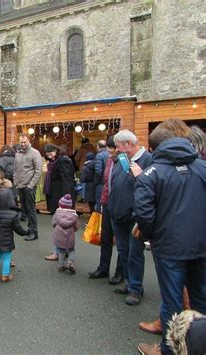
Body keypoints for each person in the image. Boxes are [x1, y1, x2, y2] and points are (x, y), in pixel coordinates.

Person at [134, 128, 206, 355]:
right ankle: (199, 346)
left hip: (168, 248)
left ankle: (168, 349)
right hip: (202, 245)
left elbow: (144, 214)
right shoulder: (203, 168)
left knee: (172, 301)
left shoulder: (150, 173)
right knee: (201, 297)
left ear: (154, 148)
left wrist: (148, 235)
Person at [109, 130, 152, 306]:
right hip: (117, 213)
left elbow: (152, 188)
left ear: (128, 143)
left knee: (135, 253)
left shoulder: (148, 160)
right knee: (123, 251)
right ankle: (128, 282)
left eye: (119, 146)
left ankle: (135, 288)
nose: (117, 150)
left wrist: (141, 176)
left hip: (135, 215)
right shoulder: (122, 160)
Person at [87, 137, 123, 284]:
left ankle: (120, 272)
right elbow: (105, 183)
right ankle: (103, 268)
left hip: (120, 206)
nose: (108, 151)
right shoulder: (109, 160)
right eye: (108, 147)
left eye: (111, 148)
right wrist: (102, 202)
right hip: (107, 204)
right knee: (105, 238)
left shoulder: (125, 163)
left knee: (121, 241)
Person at [0, 188, 28, 282]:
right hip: (7, 241)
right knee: (6, 258)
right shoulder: (13, 214)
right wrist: (25, 232)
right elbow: (17, 228)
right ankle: (5, 276)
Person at [13, 133, 43, 241]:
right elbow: (15, 169)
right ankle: (29, 230)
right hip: (20, 186)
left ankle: (34, 232)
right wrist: (16, 182)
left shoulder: (35, 153)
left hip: (29, 186)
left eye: (25, 142)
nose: (23, 144)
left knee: (31, 210)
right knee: (24, 209)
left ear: (28, 141)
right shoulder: (18, 153)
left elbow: (38, 171)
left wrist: (31, 185)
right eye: (21, 142)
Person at [52, 194, 79, 274]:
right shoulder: (74, 216)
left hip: (59, 235)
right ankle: (70, 263)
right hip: (70, 235)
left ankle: (61, 265)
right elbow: (76, 227)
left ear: (60, 205)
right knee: (71, 249)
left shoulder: (57, 214)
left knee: (61, 250)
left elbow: (53, 223)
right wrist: (73, 230)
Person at [93, 139, 108, 212]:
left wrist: (96, 182)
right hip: (109, 182)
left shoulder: (99, 156)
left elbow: (98, 171)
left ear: (98, 146)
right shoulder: (110, 154)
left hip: (101, 183)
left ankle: (98, 222)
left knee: (99, 202)